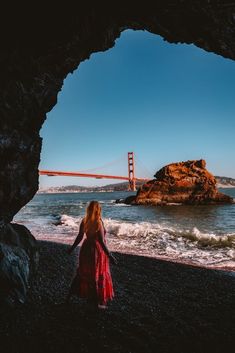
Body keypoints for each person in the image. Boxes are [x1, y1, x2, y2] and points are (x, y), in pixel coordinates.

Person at [67, 200, 116, 309]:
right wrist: (110, 255)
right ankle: (95, 304)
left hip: (85, 249)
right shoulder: (99, 222)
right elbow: (102, 242)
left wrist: (72, 248)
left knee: (81, 273)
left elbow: (80, 237)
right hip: (96, 251)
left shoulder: (85, 220)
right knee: (95, 275)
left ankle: (68, 299)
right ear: (98, 210)